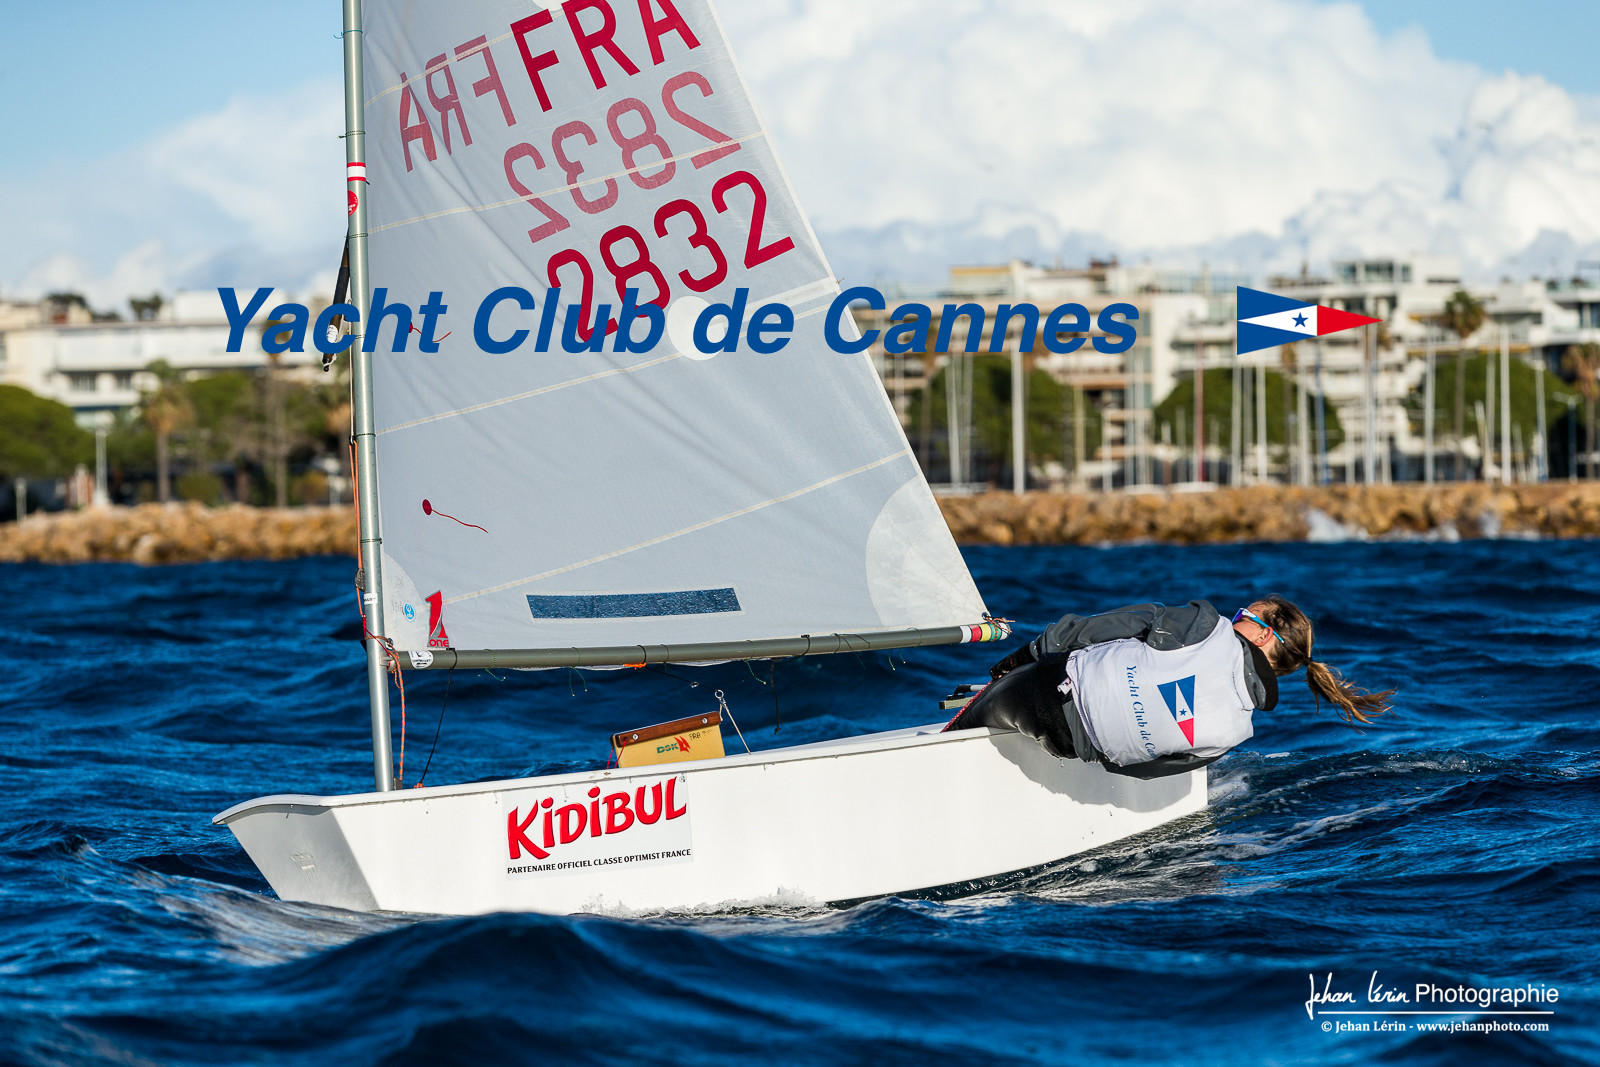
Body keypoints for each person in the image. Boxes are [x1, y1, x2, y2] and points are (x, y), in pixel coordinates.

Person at [946, 596, 1394, 778]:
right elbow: (1141, 771)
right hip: (1074, 745)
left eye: (1245, 613)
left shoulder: (1208, 626)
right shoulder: (1235, 733)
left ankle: (962, 724)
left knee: (972, 719)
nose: (1235, 616)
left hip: (1042, 689)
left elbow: (1099, 628)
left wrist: (1021, 658)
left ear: (1262, 635)